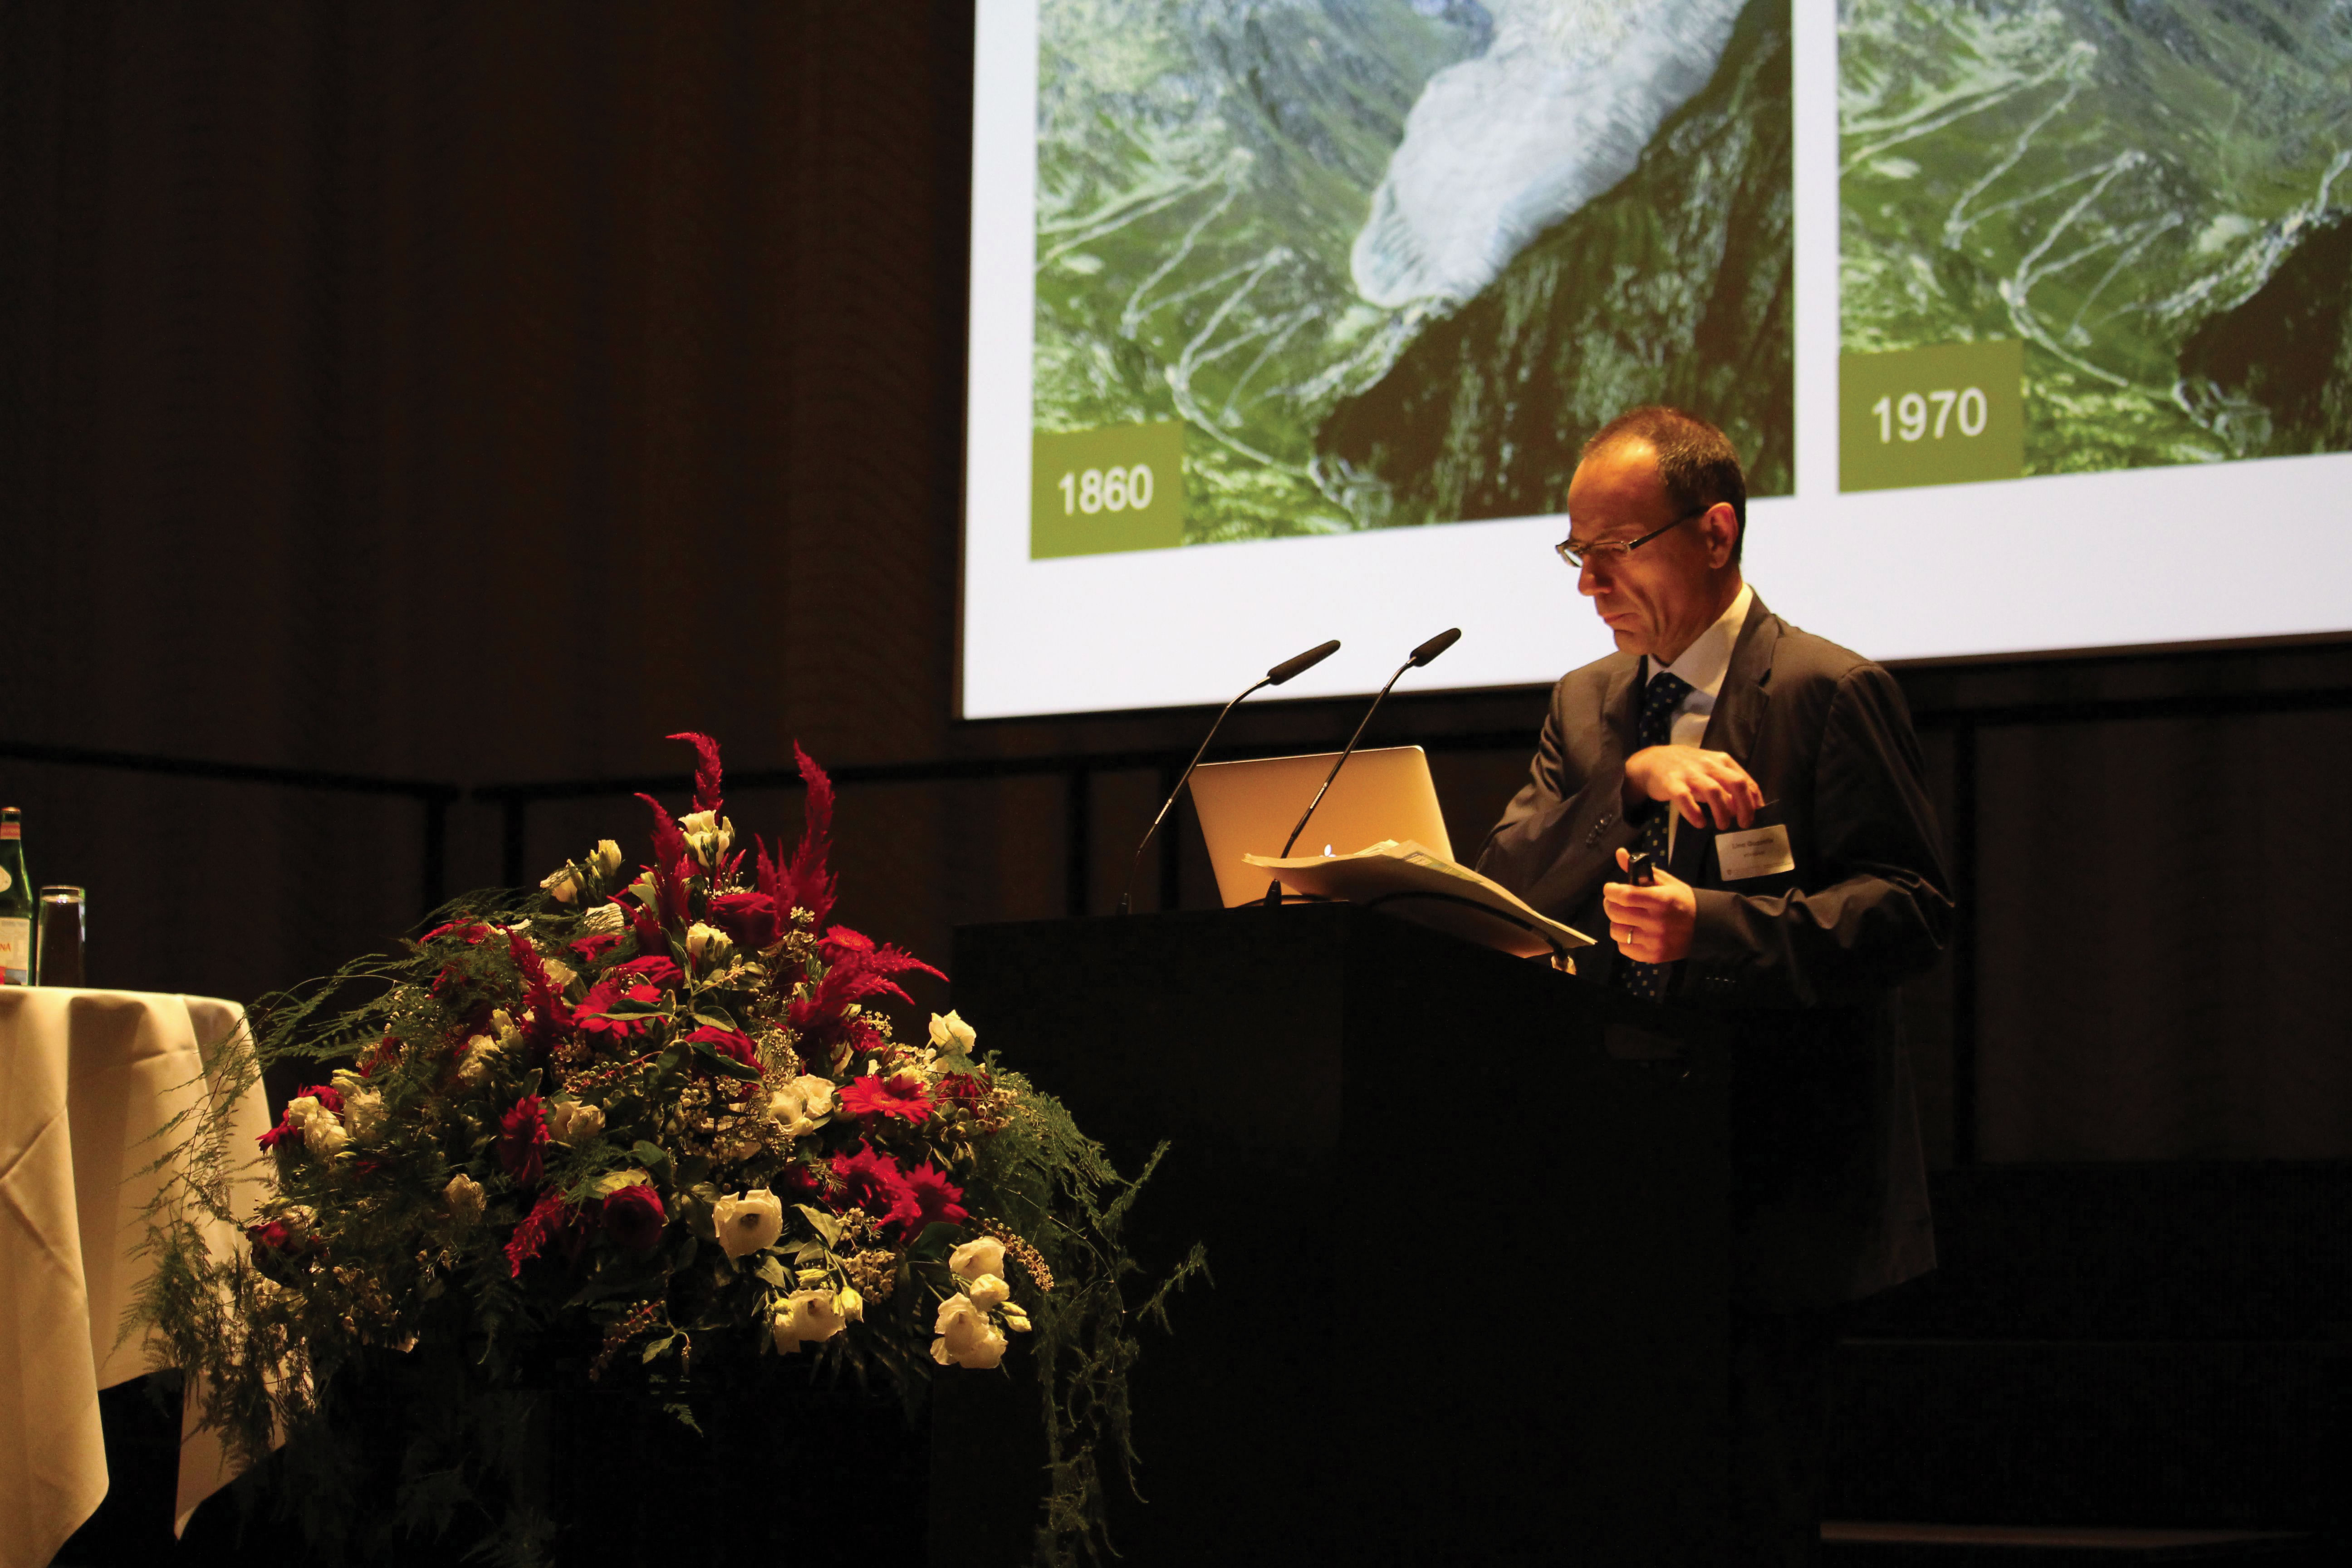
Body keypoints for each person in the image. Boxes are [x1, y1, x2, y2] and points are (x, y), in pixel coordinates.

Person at [1475, 407, 1952, 1566]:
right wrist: (1633, 782)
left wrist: (1714, 928)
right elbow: (1506, 876)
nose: (1590, 584)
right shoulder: (1589, 708)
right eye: (1574, 553)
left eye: (1617, 549)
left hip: (1773, 1182)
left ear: (1717, 533)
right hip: (1616, 1179)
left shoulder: (1826, 691)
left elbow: (1909, 909)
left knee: (1749, 1511)